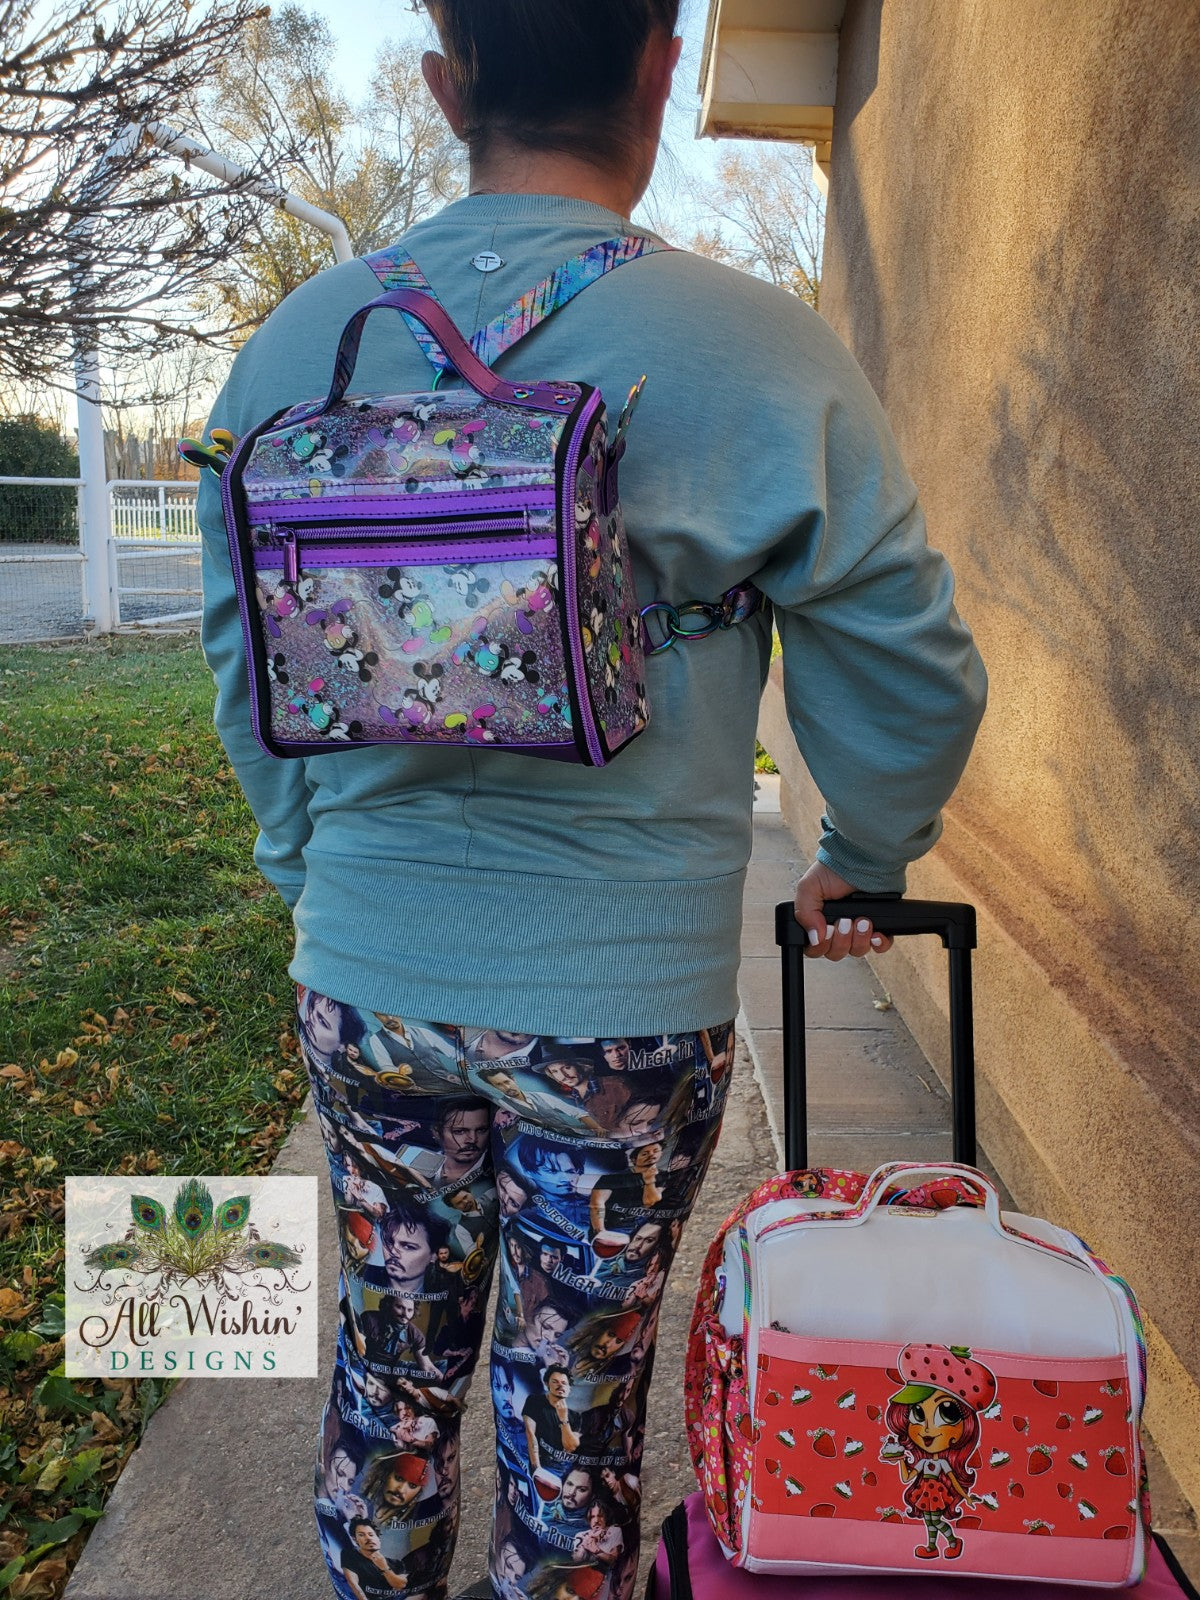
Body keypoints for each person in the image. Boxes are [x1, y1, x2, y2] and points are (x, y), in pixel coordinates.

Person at [196, 4, 986, 1596]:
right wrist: (860, 853)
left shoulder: (300, 344)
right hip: (624, 1011)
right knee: (574, 1417)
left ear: (445, 86)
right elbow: (910, 663)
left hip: (370, 974)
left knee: (386, 1381)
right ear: (658, 68)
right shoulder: (757, 349)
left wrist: (302, 861)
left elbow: (242, 648)